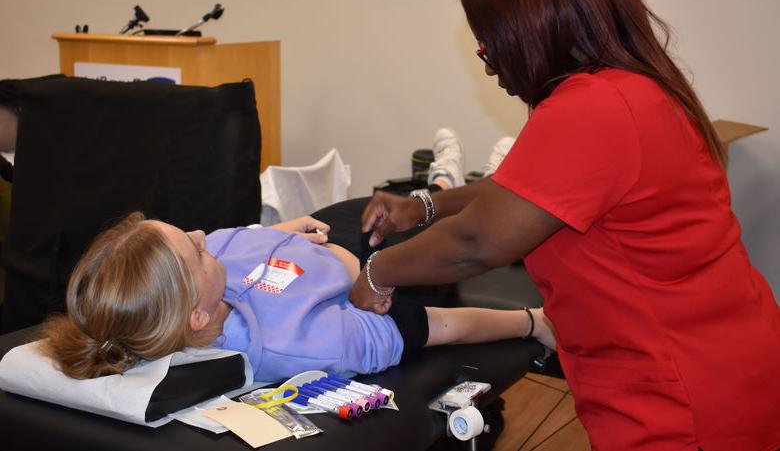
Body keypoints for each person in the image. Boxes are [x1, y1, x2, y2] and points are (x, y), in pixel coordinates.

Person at [350, 0, 780, 451]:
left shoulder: (591, 109)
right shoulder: (633, 89)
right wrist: (425, 205)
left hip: (680, 394)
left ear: (533, 27)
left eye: (488, 44)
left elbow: (477, 243)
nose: (487, 64)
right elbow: (525, 191)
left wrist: (377, 271)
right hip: (719, 362)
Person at [39, 212, 555, 381]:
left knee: (400, 207)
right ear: (197, 316)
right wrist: (531, 322)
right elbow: (431, 325)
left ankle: (439, 187)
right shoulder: (297, 344)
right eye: (192, 251)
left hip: (318, 245)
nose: (200, 238)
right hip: (365, 283)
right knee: (459, 250)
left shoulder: (205, 273)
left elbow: (228, 238)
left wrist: (280, 230)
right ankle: (537, 318)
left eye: (187, 234)